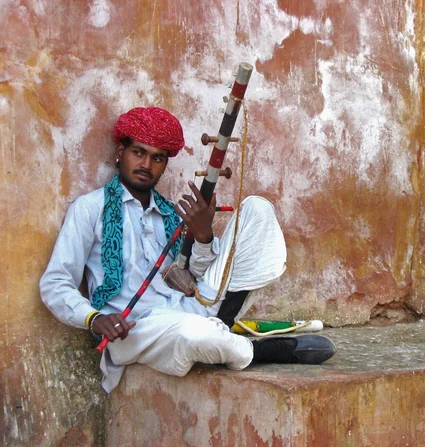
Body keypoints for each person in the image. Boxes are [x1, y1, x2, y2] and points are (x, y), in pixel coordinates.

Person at [40, 107, 335, 393]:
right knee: (192, 332)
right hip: (137, 329)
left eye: (157, 158)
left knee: (256, 210)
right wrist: (94, 318)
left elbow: (197, 275)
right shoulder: (90, 209)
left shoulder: (171, 212)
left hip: (190, 306)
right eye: (138, 152)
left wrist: (203, 234)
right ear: (121, 153)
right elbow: (56, 283)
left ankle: (219, 330)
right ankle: (260, 350)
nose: (146, 165)